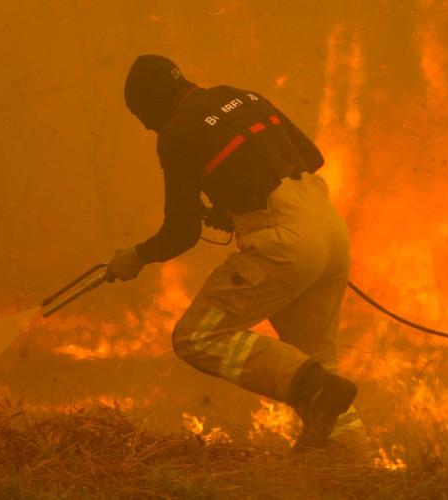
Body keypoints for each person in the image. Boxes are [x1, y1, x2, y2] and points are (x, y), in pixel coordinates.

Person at [108, 54, 365, 451]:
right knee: (318, 365)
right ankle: (349, 458)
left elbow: (181, 232)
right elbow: (312, 157)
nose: (145, 126)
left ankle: (310, 389)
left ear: (154, 100)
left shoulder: (176, 133)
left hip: (284, 242)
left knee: (197, 337)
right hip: (329, 228)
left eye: (141, 113)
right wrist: (236, 206)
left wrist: (137, 257)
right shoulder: (242, 96)